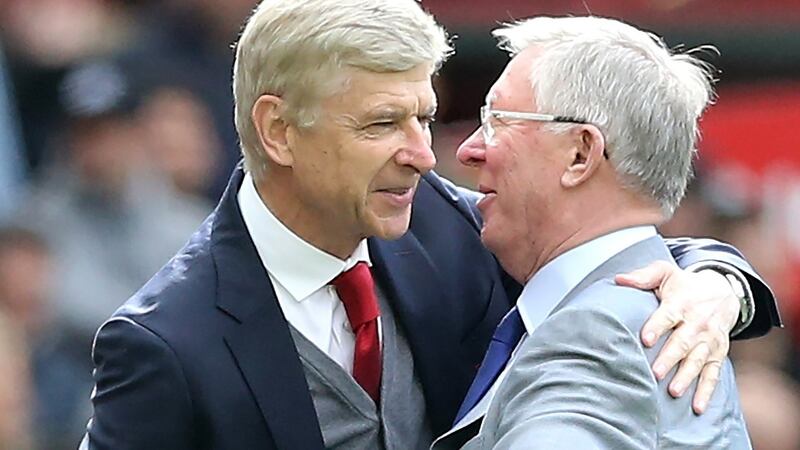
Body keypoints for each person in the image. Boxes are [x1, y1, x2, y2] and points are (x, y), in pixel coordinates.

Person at [81, 2, 780, 449]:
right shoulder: (162, 345)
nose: (426, 153)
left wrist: (719, 285)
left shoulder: (446, 225)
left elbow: (607, 249)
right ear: (278, 131)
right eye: (384, 123)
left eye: (423, 115)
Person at [432, 16, 755, 449]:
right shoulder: (660, 310)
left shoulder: (600, 332)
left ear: (580, 154)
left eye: (497, 120)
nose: (468, 150)